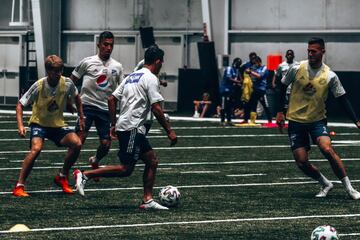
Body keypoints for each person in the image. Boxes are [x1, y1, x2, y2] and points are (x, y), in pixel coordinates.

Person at [73, 45, 178, 210]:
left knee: (152, 161)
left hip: (127, 126)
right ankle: (86, 175)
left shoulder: (132, 76)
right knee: (126, 169)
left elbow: (111, 99)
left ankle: (147, 200)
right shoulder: (150, 78)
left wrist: (114, 124)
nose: (161, 66)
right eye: (161, 63)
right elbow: (156, 108)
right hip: (133, 128)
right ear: (157, 62)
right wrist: (169, 131)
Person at [276, 37, 360, 199]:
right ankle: (325, 183)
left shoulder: (330, 76)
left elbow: (343, 99)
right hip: (295, 121)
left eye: (313, 51)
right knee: (301, 161)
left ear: (322, 51)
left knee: (327, 149)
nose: (310, 54)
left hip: (317, 121)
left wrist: (356, 120)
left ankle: (350, 188)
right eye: (308, 51)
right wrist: (279, 112)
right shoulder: (296, 68)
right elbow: (282, 87)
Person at [12, 55, 84, 197]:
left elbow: (77, 97)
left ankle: (62, 176)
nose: (59, 74)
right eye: (55, 71)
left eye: (60, 70)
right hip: (39, 124)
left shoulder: (67, 83)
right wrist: (20, 125)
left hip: (57, 125)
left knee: (77, 143)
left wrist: (80, 116)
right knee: (36, 149)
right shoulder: (39, 85)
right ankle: (19, 186)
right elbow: (20, 105)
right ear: (48, 71)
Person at [70, 31, 123, 175]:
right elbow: (71, 81)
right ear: (99, 45)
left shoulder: (117, 67)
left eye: (111, 45)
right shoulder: (87, 62)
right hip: (86, 106)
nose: (108, 48)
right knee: (78, 141)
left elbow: (121, 90)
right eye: (105, 44)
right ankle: (64, 172)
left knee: (106, 145)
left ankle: (95, 160)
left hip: (105, 109)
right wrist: (71, 100)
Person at [241, 56, 271, 125]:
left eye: (256, 63)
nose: (255, 64)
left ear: (259, 62)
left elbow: (259, 76)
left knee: (265, 106)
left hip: (262, 90)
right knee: (249, 104)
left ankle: (270, 121)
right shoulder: (254, 68)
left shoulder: (264, 68)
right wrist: (248, 70)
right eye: (254, 63)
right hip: (255, 90)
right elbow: (248, 71)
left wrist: (251, 72)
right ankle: (248, 120)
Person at [272, 49, 298, 114]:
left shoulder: (297, 65)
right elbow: (276, 74)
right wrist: (273, 83)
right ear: (286, 56)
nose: (289, 56)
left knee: (293, 105)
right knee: (284, 105)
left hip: (294, 89)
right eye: (288, 54)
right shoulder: (281, 65)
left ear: (293, 56)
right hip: (284, 88)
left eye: (291, 54)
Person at [219, 57, 242, 125]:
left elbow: (236, 79)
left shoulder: (236, 70)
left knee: (229, 105)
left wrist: (238, 83)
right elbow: (229, 78)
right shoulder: (229, 68)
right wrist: (238, 81)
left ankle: (229, 120)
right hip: (225, 89)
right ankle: (222, 120)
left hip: (231, 90)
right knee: (224, 105)